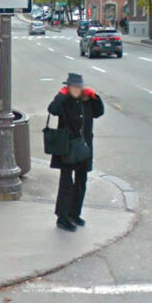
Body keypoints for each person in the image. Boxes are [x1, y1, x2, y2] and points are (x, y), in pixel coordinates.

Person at [47, 72, 104, 232]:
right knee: (66, 183)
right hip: (67, 147)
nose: (76, 90)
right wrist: (62, 95)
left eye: (78, 87)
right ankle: (62, 218)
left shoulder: (87, 100)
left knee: (81, 181)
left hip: (84, 147)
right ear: (68, 87)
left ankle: (74, 214)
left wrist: (95, 97)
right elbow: (53, 110)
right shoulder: (64, 101)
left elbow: (99, 112)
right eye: (72, 87)